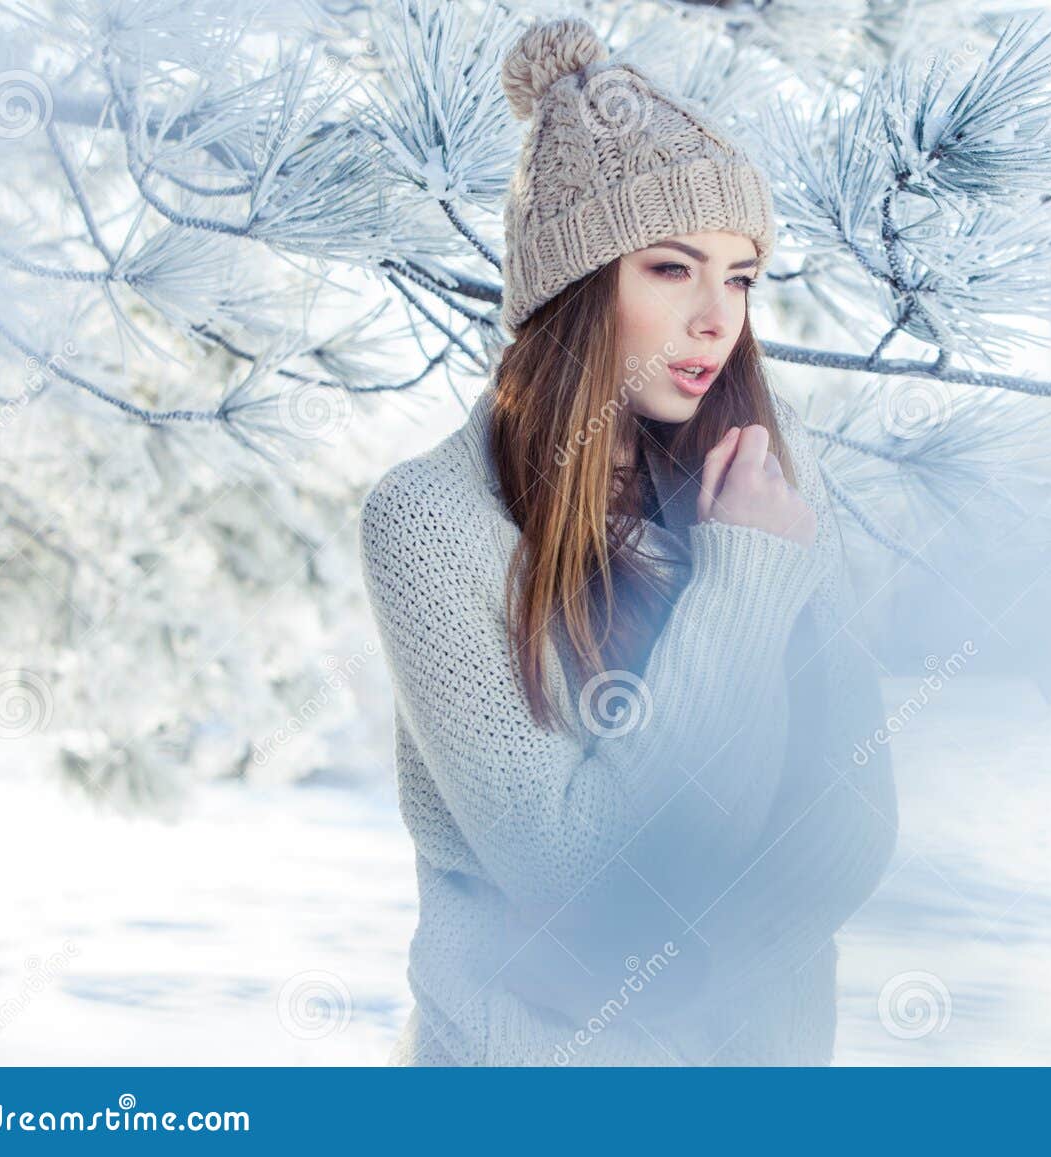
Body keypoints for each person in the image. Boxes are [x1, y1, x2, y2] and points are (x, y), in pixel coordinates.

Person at [358, 16, 897, 1066]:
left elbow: (852, 823)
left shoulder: (766, 484)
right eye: (671, 268)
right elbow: (572, 867)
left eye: (740, 276)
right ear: (574, 283)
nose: (717, 318)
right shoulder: (430, 523)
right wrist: (740, 586)